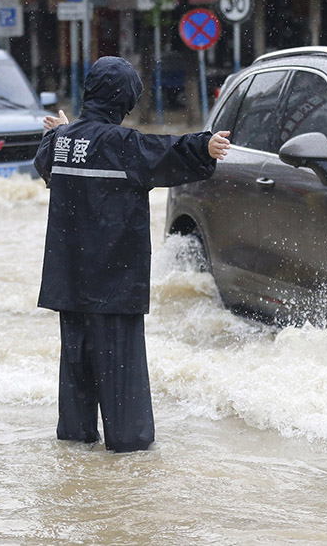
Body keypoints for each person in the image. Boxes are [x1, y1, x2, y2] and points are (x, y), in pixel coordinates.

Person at [34, 56, 230, 452]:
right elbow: (167, 151)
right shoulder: (123, 145)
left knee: (76, 374)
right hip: (113, 284)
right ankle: (128, 457)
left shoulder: (62, 141)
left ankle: (76, 448)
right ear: (123, 100)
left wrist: (62, 131)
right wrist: (205, 146)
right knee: (124, 398)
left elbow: (46, 162)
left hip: (69, 283)